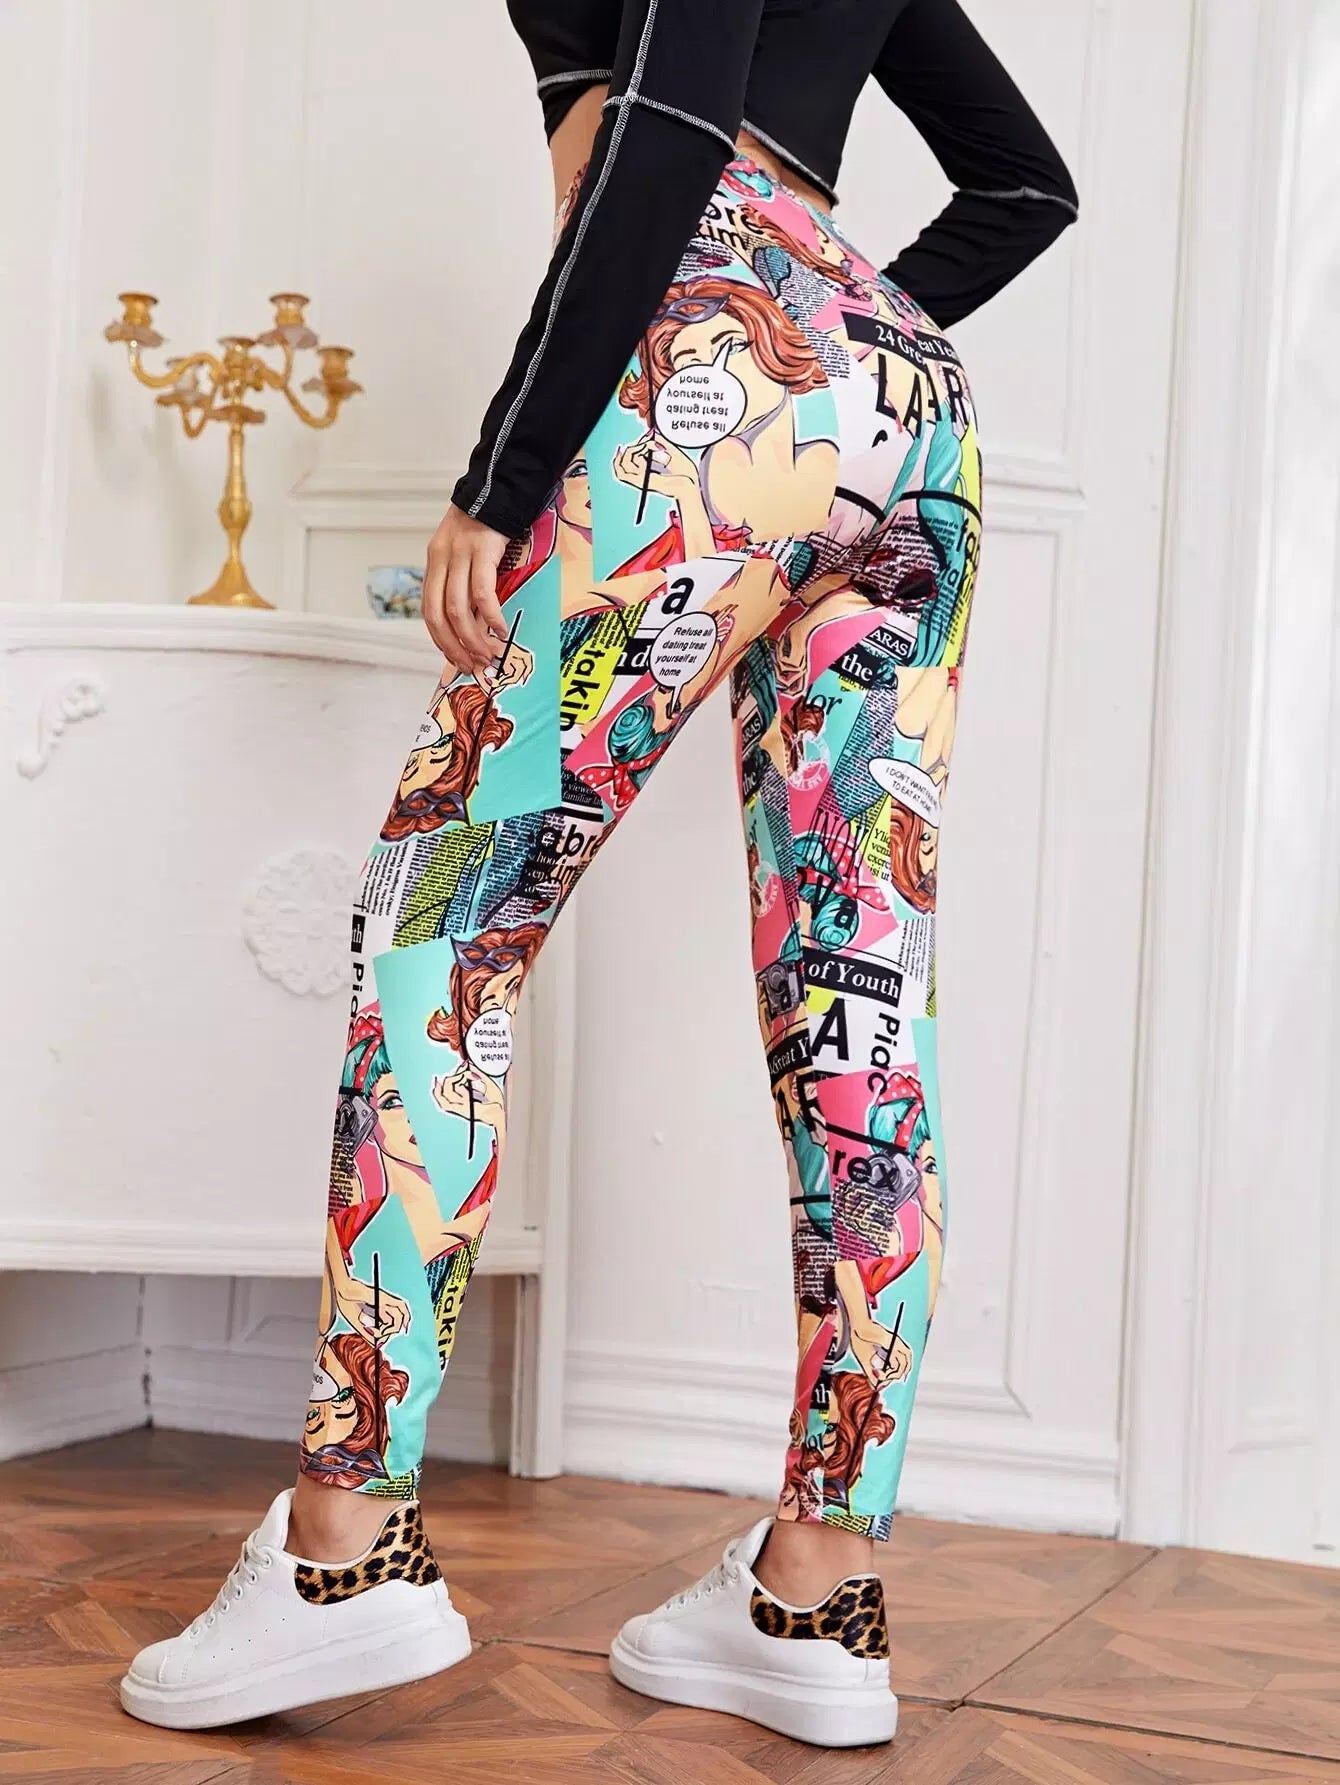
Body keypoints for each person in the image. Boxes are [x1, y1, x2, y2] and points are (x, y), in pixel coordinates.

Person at [119, 0, 1075, 1750]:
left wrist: (507, 473)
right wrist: (848, 331)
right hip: (908, 415)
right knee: (860, 991)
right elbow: (1026, 184)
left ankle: (344, 1546)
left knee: (445, 927)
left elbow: (671, 119)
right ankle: (817, 1587)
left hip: (710, 367)